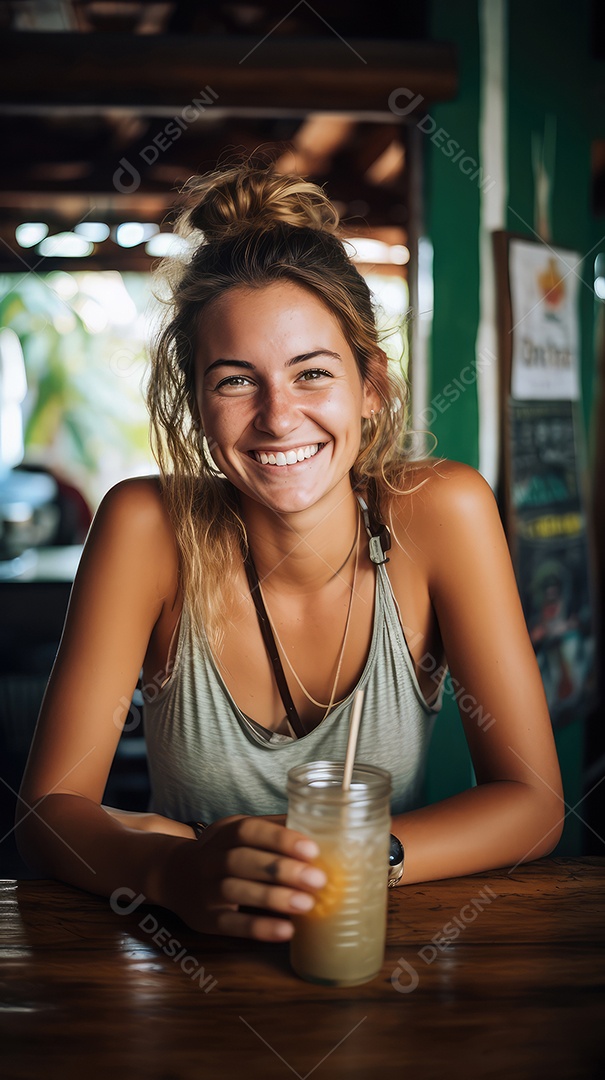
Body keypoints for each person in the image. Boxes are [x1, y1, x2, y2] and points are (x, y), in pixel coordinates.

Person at [16, 161, 564, 942]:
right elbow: (47, 814)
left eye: (312, 372)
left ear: (369, 385)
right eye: (236, 381)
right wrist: (170, 873)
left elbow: (535, 801)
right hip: (186, 958)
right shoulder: (146, 526)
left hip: (364, 942)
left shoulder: (442, 512)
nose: (279, 418)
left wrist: (352, 861)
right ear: (197, 402)